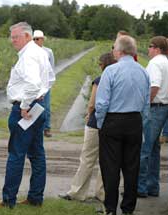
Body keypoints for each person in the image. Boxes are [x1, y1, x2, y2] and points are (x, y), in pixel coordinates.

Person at [0, 22, 54, 209]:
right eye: (12, 37)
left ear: (27, 36)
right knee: (37, 153)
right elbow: (50, 79)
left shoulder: (29, 56)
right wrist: (39, 97)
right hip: (38, 106)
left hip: (26, 108)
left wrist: (24, 106)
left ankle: (8, 200)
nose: (12, 40)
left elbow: (33, 83)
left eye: (16, 37)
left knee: (16, 153)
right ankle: (35, 197)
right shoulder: (41, 53)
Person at [95, 35, 150, 215]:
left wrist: (102, 124)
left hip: (113, 121)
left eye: (114, 49)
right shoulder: (143, 72)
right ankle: (128, 208)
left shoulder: (111, 71)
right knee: (131, 166)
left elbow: (101, 103)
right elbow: (146, 104)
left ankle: (110, 208)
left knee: (110, 166)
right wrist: (142, 122)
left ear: (119, 51)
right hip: (135, 121)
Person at [59, 52, 116, 202]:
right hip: (112, 123)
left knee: (88, 158)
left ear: (102, 64)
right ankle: (101, 193)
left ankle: (77, 192)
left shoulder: (100, 80)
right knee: (107, 159)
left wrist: (89, 114)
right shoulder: (117, 79)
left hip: (96, 124)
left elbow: (92, 103)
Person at [138, 36, 168, 198]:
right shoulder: (166, 62)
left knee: (144, 148)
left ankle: (140, 187)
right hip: (164, 108)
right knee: (154, 149)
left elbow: (154, 85)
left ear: (157, 48)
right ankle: (152, 186)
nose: (148, 49)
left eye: (150, 46)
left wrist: (145, 104)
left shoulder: (156, 63)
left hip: (155, 108)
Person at [33, 30, 55, 138]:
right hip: (33, 83)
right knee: (32, 105)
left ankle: (47, 128)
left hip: (44, 84)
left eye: (38, 39)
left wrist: (48, 84)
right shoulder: (29, 51)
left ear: (42, 39)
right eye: (34, 39)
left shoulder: (48, 52)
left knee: (46, 106)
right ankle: (35, 128)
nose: (36, 41)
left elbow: (51, 68)